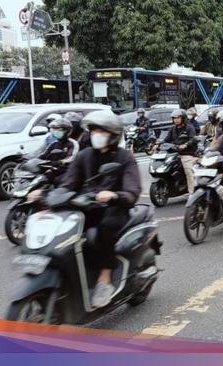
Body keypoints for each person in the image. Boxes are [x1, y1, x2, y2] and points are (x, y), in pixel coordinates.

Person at [61, 110, 141, 308]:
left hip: (115, 209)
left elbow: (132, 191)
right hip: (87, 206)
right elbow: (68, 183)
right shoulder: (84, 155)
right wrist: (48, 197)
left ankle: (104, 278)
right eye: (93, 131)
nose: (96, 135)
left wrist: (114, 195)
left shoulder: (125, 157)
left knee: (104, 228)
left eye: (101, 131)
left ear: (113, 135)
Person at [163, 109, 198, 194]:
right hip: (174, 154)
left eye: (178, 118)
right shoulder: (172, 129)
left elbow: (193, 139)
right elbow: (166, 140)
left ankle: (192, 193)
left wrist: (186, 144)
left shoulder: (189, 127)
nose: (176, 120)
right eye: (174, 118)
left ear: (183, 118)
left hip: (187, 154)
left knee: (188, 171)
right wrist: (158, 144)